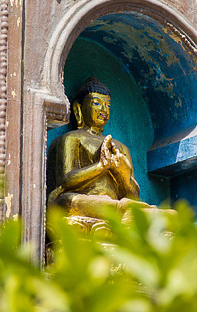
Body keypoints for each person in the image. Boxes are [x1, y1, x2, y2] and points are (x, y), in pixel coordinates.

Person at [47, 77, 172, 220]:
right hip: (84, 202)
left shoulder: (120, 147)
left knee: (171, 216)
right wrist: (101, 167)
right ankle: (122, 213)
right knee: (68, 202)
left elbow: (134, 196)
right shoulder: (72, 138)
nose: (103, 110)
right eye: (96, 103)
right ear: (78, 108)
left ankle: (121, 212)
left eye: (108, 105)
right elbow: (65, 180)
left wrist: (123, 174)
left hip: (111, 204)